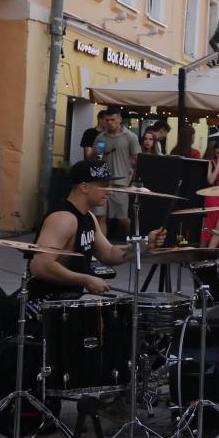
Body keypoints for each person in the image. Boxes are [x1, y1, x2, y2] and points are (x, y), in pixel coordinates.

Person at [28, 159, 166, 300]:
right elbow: (40, 266)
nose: (110, 192)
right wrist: (87, 279)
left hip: (68, 300)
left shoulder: (89, 217)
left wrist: (144, 244)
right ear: (85, 187)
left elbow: (109, 253)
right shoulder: (63, 218)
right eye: (105, 186)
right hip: (45, 302)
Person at [93, 109, 141, 238]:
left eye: (113, 119)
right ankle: (102, 247)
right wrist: (96, 154)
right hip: (102, 183)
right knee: (99, 217)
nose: (110, 123)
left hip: (121, 184)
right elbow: (97, 160)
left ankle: (129, 241)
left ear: (119, 119)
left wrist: (132, 180)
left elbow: (138, 160)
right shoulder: (101, 137)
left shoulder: (130, 137)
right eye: (107, 120)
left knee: (122, 219)